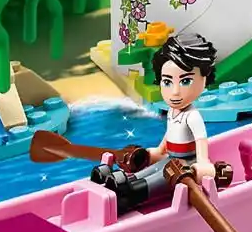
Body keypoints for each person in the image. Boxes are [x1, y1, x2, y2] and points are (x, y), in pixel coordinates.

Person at [92, 33, 219, 214]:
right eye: (167, 82)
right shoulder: (173, 112)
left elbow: (201, 141)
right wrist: (160, 150)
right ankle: (121, 182)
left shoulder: (192, 116)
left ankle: (131, 194)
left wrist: (203, 163)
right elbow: (170, 134)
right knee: (150, 171)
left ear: (204, 78)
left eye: (185, 81)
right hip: (170, 158)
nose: (175, 92)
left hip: (186, 164)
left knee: (161, 177)